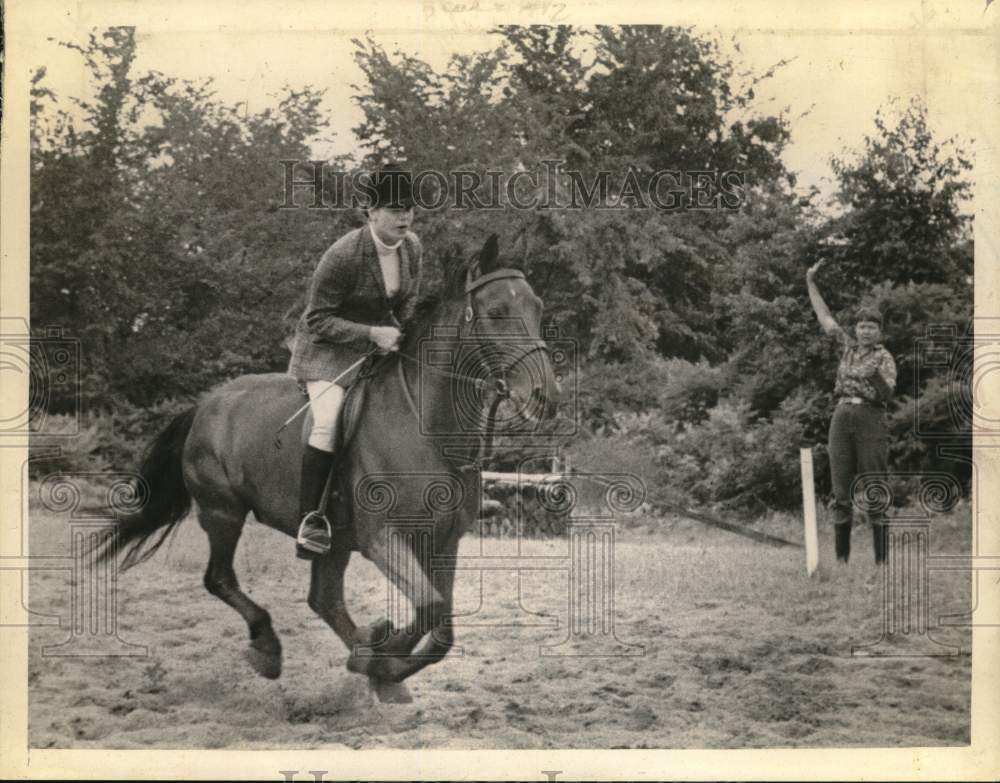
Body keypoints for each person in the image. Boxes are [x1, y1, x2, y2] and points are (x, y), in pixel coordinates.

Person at [287, 167, 422, 558]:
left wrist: (403, 332)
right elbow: (317, 319)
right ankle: (310, 521)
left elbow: (408, 301)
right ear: (371, 211)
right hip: (327, 352)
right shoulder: (344, 254)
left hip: (378, 348)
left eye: (409, 208)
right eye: (395, 209)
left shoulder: (411, 246)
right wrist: (370, 334)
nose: (405, 217)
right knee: (329, 422)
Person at [806, 259, 897, 566]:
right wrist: (810, 282)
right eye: (861, 326)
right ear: (856, 329)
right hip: (842, 417)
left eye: (871, 327)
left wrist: (873, 376)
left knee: (874, 488)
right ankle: (842, 561)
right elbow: (825, 317)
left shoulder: (885, 358)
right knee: (840, 491)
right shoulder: (846, 346)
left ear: (879, 331)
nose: (865, 331)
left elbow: (887, 395)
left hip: (871, 419)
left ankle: (881, 562)